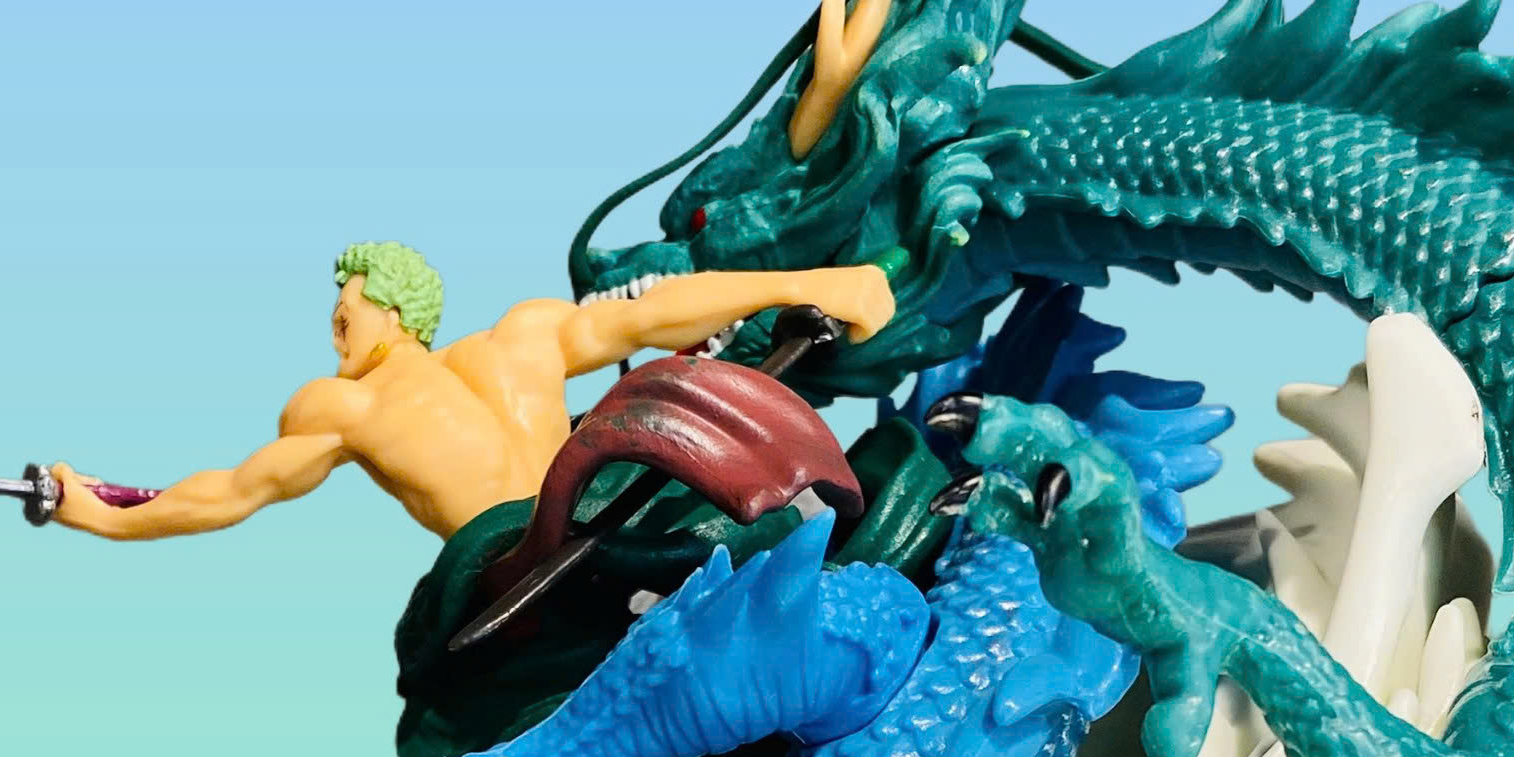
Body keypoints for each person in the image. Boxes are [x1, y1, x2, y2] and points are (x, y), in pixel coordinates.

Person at [46, 240, 896, 542]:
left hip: (532, 573)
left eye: (342, 317)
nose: (335, 336)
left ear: (388, 312)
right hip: (597, 534)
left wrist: (108, 517)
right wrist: (811, 282)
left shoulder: (345, 406)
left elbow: (233, 491)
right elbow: (654, 312)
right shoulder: (522, 336)